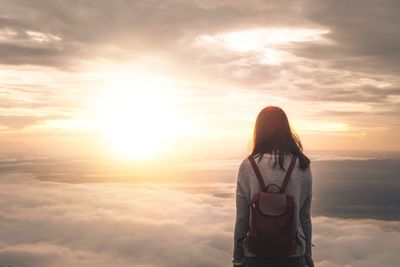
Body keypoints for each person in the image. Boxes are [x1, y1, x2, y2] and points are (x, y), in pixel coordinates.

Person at [232, 106, 314, 267]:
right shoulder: (302, 165)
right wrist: (308, 255)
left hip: (255, 255)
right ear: (285, 129)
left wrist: (237, 257)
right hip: (293, 255)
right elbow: (304, 216)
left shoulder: (248, 166)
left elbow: (242, 218)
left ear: (259, 131)